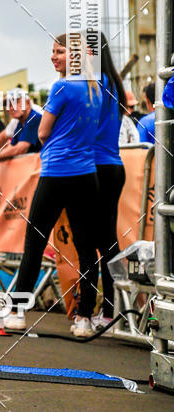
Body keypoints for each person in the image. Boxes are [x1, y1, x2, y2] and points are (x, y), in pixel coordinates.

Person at [4, 34, 102, 338]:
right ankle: (84, 318)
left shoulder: (62, 87)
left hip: (57, 171)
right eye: (52, 51)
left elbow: (43, 132)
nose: (53, 56)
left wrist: (57, 137)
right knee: (86, 247)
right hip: (87, 174)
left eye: (59, 51)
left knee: (34, 242)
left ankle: (17, 312)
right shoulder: (96, 89)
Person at [92, 33, 128, 330]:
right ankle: (114, 308)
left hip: (97, 166)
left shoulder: (96, 83)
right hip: (112, 166)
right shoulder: (113, 82)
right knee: (106, 241)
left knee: (99, 242)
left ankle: (110, 310)